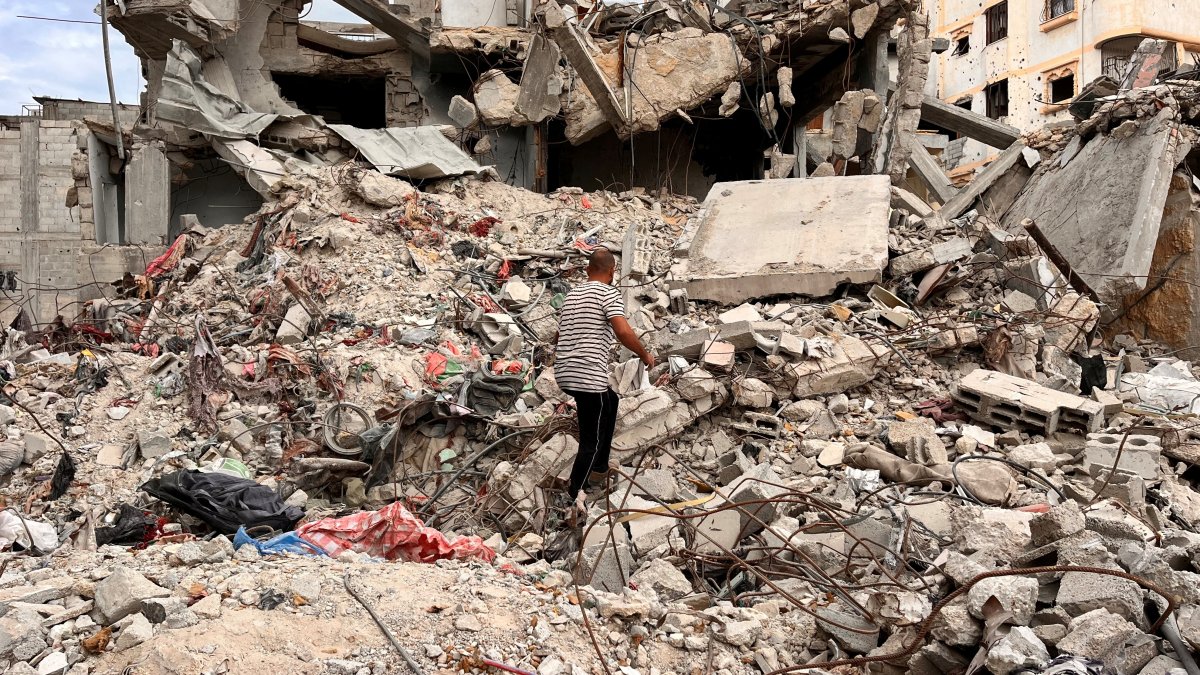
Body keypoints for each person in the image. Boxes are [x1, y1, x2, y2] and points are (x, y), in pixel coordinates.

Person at [553, 248, 654, 499]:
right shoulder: (608, 293)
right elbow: (622, 331)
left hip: (564, 372)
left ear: (588, 270)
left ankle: (599, 467)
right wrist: (644, 354)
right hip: (587, 376)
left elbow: (558, 335)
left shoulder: (573, 295)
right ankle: (575, 493)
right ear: (612, 272)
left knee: (611, 401)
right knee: (592, 440)